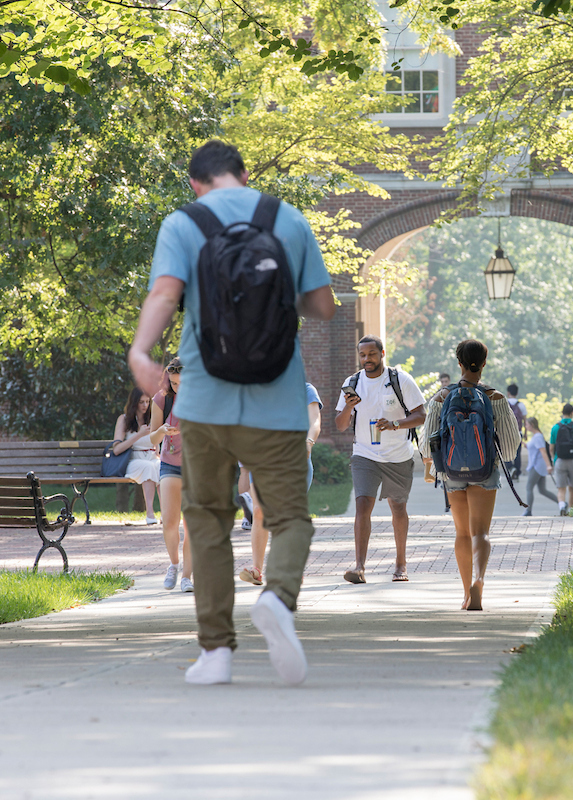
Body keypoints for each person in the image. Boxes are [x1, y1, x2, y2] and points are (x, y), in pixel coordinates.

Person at [128, 139, 335, 686]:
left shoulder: (183, 224)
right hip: (280, 398)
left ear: (196, 184)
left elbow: (165, 294)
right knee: (289, 517)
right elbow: (322, 306)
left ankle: (216, 652)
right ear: (244, 175)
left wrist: (140, 352)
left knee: (209, 519)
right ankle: (278, 598)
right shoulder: (286, 219)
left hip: (204, 401)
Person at [420, 339, 521, 610]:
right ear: (484, 363)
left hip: (452, 472)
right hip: (485, 471)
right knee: (480, 532)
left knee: (462, 533)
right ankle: (479, 580)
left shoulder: (442, 397)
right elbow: (511, 447)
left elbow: (425, 444)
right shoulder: (496, 397)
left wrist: (431, 468)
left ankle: (466, 595)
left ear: (459, 363)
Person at [334, 335, 426, 584]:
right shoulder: (352, 383)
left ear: (382, 353)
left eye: (372, 354)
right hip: (364, 453)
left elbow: (421, 416)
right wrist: (347, 408)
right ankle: (359, 567)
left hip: (397, 456)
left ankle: (400, 564)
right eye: (362, 355)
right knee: (362, 504)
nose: (367, 359)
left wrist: (395, 424)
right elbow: (341, 426)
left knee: (398, 507)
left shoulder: (400, 380)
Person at [240, 382, 323, 586]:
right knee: (259, 511)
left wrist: (308, 442)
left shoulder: (305, 390)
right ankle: (257, 570)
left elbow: (315, 421)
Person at [150, 357, 193, 592]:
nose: (178, 388)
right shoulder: (162, 399)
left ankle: (187, 577)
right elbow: (151, 439)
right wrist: (162, 431)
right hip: (170, 464)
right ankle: (174, 565)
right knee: (169, 521)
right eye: (174, 383)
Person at [113, 388, 164, 524]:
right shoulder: (124, 420)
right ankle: (150, 513)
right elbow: (116, 449)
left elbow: (157, 445)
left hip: (152, 457)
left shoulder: (153, 419)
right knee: (148, 467)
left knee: (161, 467)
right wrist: (139, 435)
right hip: (133, 461)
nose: (145, 405)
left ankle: (165, 513)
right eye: (141, 402)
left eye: (148, 402)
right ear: (134, 403)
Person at [521, 416, 559, 516]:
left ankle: (528, 511)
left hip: (537, 466)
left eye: (527, 424)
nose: (526, 426)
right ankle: (562, 503)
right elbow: (532, 447)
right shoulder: (536, 436)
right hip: (538, 465)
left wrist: (549, 466)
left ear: (532, 425)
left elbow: (543, 452)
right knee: (542, 490)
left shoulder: (538, 437)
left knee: (529, 487)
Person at [505, 384, 527, 479]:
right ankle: (517, 473)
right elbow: (525, 421)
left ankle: (510, 468)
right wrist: (525, 433)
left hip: (506, 433)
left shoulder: (504, 403)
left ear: (508, 393)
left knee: (506, 452)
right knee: (517, 453)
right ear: (517, 393)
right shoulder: (521, 405)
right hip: (518, 433)